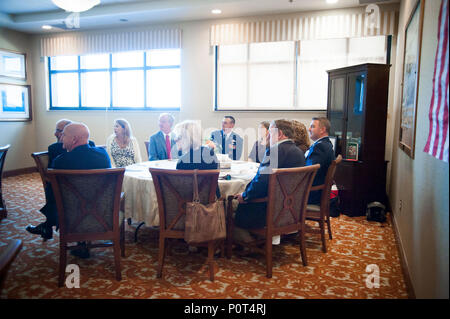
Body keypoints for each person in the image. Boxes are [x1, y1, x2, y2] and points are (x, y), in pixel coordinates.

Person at [26, 123, 111, 258]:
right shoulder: (103, 155)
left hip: (71, 216)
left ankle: (49, 224)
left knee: (53, 192)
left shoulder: (60, 162)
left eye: (64, 135)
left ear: (74, 139)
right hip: (101, 213)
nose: (60, 139)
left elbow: (54, 193)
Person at [233, 119, 306, 230]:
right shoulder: (299, 152)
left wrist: (245, 195)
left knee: (229, 202)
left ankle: (243, 238)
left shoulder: (274, 151)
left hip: (267, 210)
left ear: (280, 134)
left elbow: (261, 182)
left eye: (270, 134)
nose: (267, 137)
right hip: (290, 208)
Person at [174, 120, 220, 198]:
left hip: (189, 205)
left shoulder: (183, 161)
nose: (175, 139)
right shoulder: (210, 154)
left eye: (178, 137)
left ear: (187, 138)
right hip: (211, 204)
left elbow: (181, 192)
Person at [305, 117, 335, 205]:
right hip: (316, 191)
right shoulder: (325, 144)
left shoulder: (320, 147)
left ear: (322, 130)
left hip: (312, 194)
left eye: (312, 126)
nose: (309, 129)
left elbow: (309, 172)